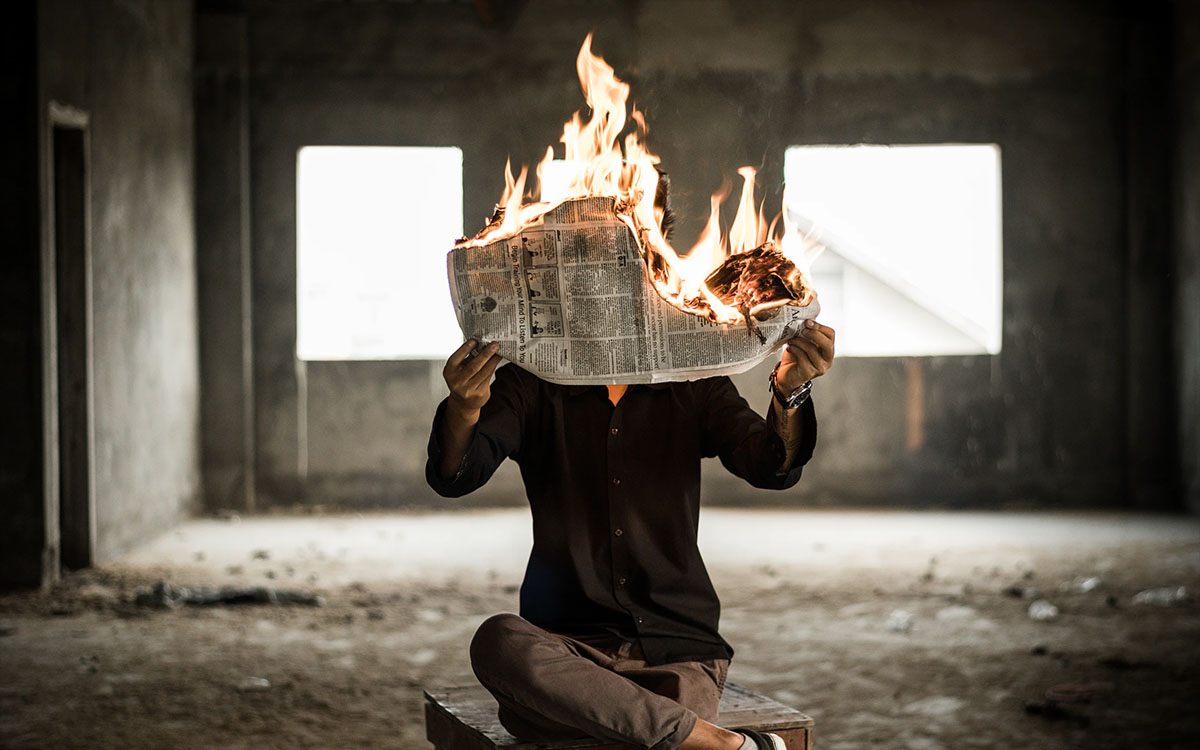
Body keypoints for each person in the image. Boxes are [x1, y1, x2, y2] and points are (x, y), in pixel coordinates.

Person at [425, 315, 834, 750]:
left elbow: (771, 467)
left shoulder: (692, 381)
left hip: (676, 654)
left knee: (600, 721)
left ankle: (660, 727)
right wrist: (465, 406)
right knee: (499, 640)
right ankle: (717, 743)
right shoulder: (531, 383)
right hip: (568, 651)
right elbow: (455, 477)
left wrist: (791, 393)